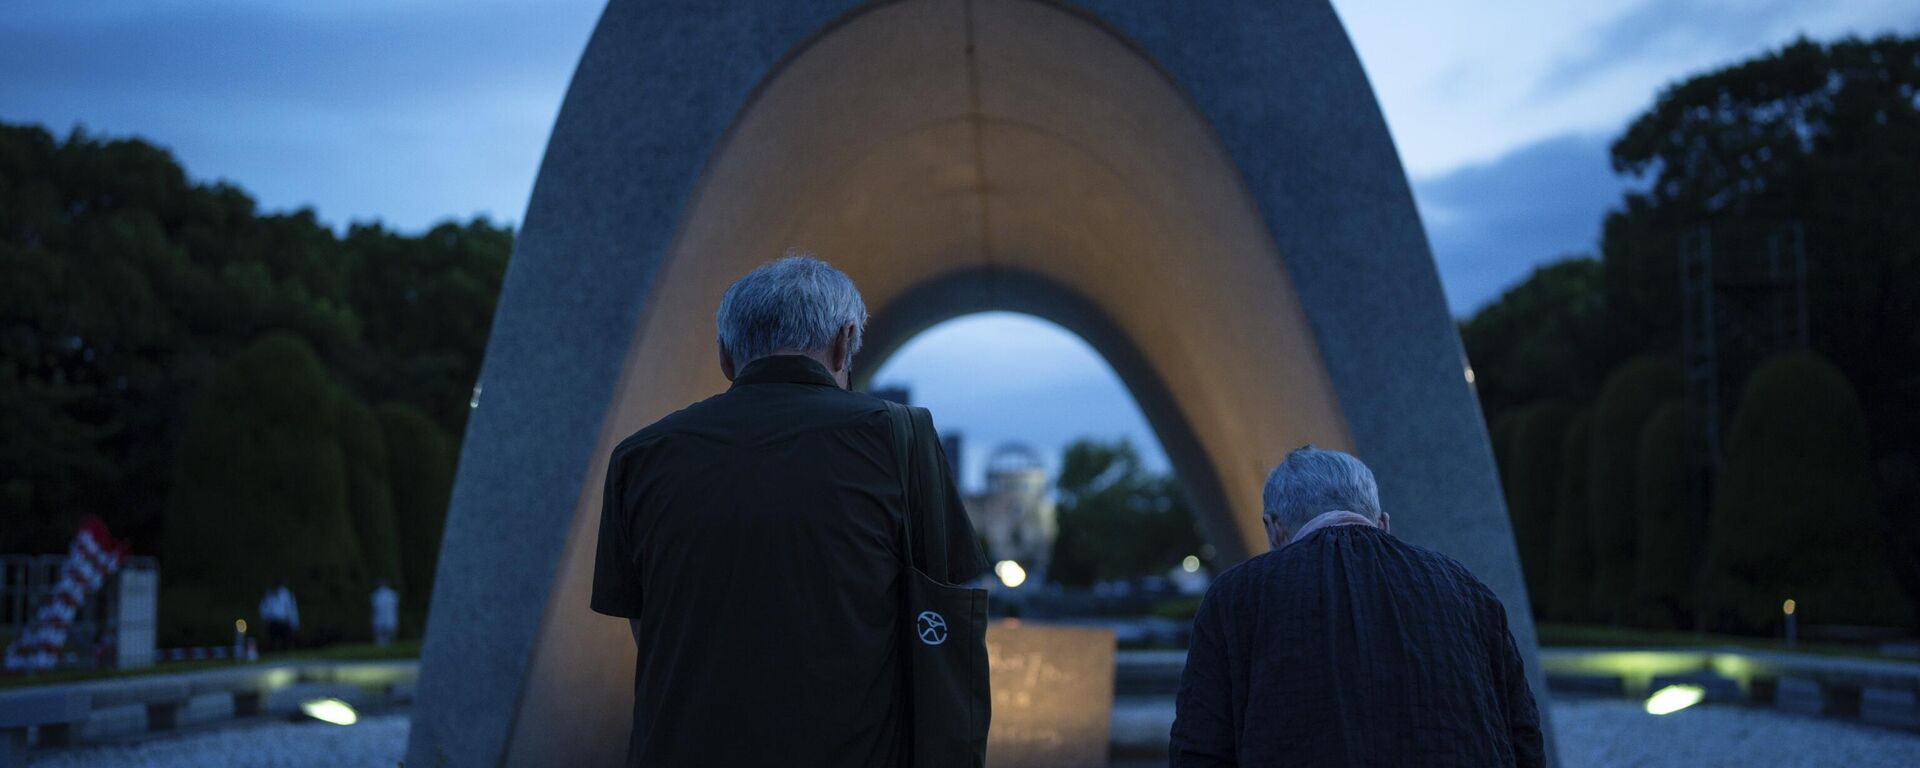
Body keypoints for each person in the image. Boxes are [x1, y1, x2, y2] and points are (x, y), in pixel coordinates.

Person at [591, 253, 986, 767]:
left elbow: (649, 629)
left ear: (726, 358)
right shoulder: (899, 437)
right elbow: (943, 610)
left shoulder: (641, 457)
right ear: (846, 342)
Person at [1170, 446, 1545, 767]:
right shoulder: (1468, 591)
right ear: (1382, 522)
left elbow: (1200, 746)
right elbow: (1523, 733)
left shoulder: (1237, 597)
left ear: (1273, 528)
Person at [257, 582, 299, 653]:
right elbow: (263, 608)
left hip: (284, 622)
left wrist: (294, 622)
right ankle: (273, 652)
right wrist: (264, 619)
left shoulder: (286, 594)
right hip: (273, 622)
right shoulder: (269, 595)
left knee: (285, 641)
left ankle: (286, 651)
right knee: (272, 641)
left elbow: (291, 609)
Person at [370, 580, 399, 646]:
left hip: (386, 618)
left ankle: (387, 646)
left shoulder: (390, 594)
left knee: (386, 634)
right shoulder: (377, 595)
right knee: (383, 635)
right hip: (384, 618)